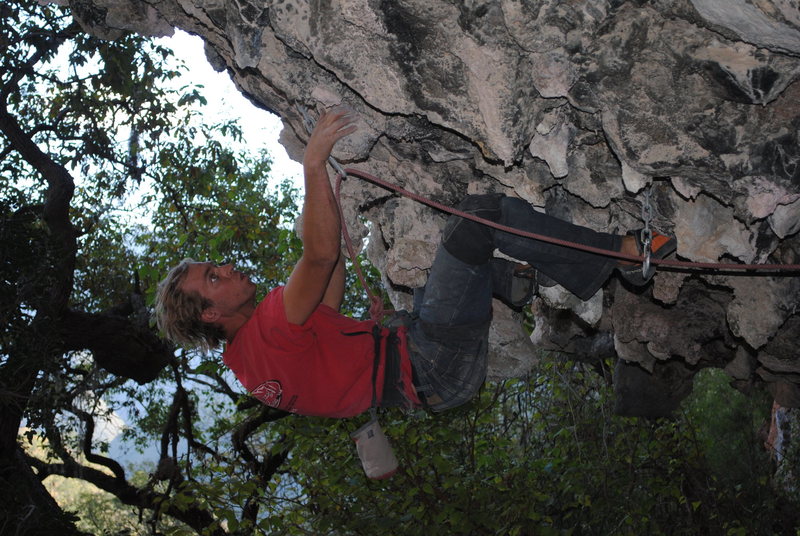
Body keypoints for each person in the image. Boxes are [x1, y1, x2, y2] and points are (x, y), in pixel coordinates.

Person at [154, 108, 676, 418]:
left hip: (425, 376)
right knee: (476, 221)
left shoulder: (251, 362)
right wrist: (313, 164)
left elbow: (326, 295)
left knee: (433, 284)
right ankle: (619, 258)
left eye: (214, 265)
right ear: (210, 314)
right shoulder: (265, 331)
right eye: (213, 278)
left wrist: (338, 237)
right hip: (428, 360)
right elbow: (316, 256)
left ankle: (512, 284)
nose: (225, 269)